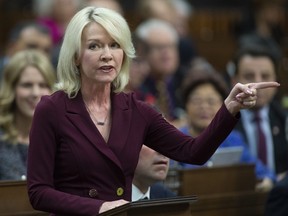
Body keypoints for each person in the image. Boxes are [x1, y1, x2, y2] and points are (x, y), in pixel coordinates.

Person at [27, 6, 279, 215]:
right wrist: (99, 207)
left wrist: (228, 108)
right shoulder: (52, 109)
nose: (107, 55)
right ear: (75, 56)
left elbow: (194, 152)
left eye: (114, 45)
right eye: (94, 46)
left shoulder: (136, 110)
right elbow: (38, 192)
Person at [173, 70, 276, 192]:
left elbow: (263, 173)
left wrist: (267, 181)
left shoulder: (233, 139)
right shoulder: (176, 139)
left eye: (211, 101)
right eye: (197, 101)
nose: (204, 107)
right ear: (186, 105)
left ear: (223, 105)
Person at [230, 45, 288, 181]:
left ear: (276, 81)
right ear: (234, 81)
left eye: (265, 76)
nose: (257, 84)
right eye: (249, 76)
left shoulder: (284, 119)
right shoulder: (224, 120)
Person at [0, 50, 56, 181]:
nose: (35, 93)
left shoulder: (61, 137)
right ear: (11, 88)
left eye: (43, 85)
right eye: (27, 85)